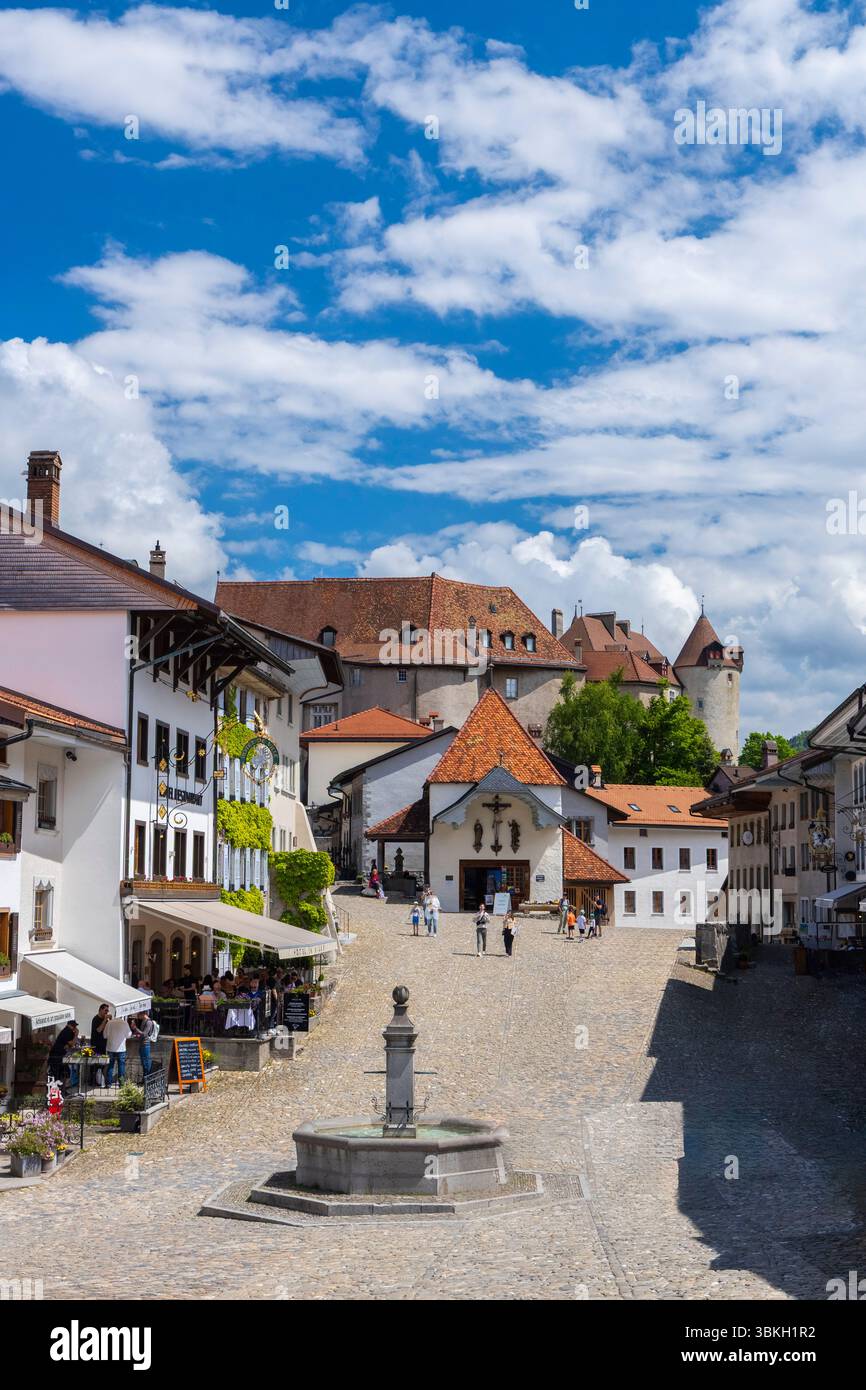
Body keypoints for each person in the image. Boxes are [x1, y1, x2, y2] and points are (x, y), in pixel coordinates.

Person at [49, 1020, 79, 1089]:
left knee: (64, 1072)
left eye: (75, 1026)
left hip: (58, 1055)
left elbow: (70, 1044)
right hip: (57, 1055)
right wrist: (76, 1034)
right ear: (69, 1025)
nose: (74, 1028)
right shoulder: (67, 1031)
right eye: (73, 1026)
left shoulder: (68, 1031)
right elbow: (72, 1044)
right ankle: (59, 1091)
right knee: (60, 1074)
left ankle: (62, 1090)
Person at [105, 1011, 133, 1086]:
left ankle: (108, 1084)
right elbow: (129, 1035)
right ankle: (122, 1084)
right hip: (121, 1048)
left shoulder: (109, 1023)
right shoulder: (125, 1023)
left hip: (110, 1048)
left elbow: (104, 1035)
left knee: (110, 1065)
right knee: (121, 1066)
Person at [89, 1002, 111, 1088]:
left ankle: (98, 1080)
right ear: (100, 1010)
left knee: (101, 1064)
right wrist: (105, 1020)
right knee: (94, 1063)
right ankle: (92, 1081)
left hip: (103, 1044)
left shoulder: (105, 1019)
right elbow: (98, 1030)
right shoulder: (96, 1019)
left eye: (108, 1011)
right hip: (95, 1045)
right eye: (105, 1010)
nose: (107, 1012)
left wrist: (110, 1021)